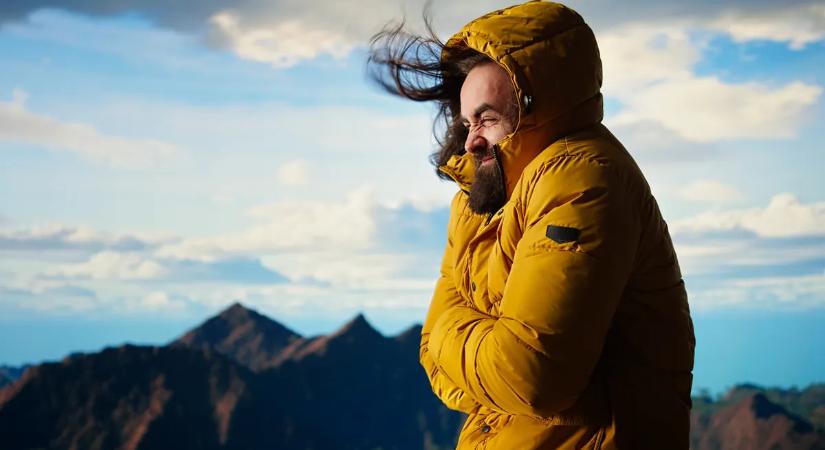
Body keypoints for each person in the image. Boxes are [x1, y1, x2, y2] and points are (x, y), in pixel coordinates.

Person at [369, 2, 695, 449]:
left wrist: (449, 327)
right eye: (466, 122)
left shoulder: (583, 178)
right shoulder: (479, 202)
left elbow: (529, 378)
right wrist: (482, 349)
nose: (469, 140)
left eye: (486, 118)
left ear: (537, 108)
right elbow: (435, 369)